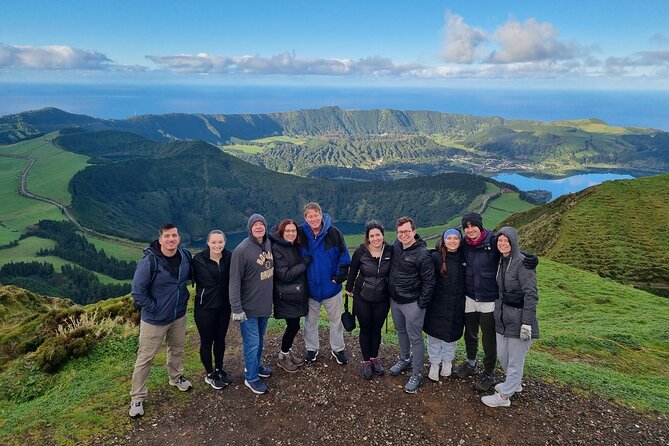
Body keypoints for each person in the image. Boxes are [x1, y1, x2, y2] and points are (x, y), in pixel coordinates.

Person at [453, 212, 537, 392]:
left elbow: (508, 250)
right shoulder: (464, 244)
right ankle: (471, 363)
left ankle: (489, 372)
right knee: (470, 333)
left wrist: (529, 258)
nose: (469, 230)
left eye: (472, 226)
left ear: (480, 225)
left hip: (490, 299)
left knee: (489, 337)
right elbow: (446, 246)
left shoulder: (492, 241)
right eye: (466, 227)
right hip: (469, 296)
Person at [129, 223, 193, 418]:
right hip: (154, 321)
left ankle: (176, 377)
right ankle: (137, 397)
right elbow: (137, 291)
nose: (171, 239)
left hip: (178, 316)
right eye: (167, 236)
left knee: (177, 349)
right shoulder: (149, 262)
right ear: (160, 239)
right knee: (145, 358)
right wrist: (153, 309)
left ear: (179, 238)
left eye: (174, 235)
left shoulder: (185, 257)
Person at [481, 226, 539, 407]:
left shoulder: (522, 263)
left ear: (513, 243)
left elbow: (531, 294)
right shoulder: (500, 260)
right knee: (503, 356)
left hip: (519, 320)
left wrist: (527, 323)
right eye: (500, 241)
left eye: (507, 241)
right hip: (502, 319)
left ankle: (504, 397)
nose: (503, 244)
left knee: (514, 361)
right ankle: (514, 384)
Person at [298, 202, 351, 365]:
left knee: (336, 321)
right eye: (310, 216)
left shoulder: (334, 233)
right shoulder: (300, 233)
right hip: (311, 289)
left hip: (331, 288)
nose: (313, 219)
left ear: (321, 215)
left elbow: (344, 257)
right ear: (305, 218)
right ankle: (311, 349)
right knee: (310, 322)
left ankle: (338, 349)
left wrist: (338, 278)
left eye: (316, 215)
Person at [388, 216, 436, 394]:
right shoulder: (397, 245)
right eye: (400, 232)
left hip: (412, 303)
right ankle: (404, 359)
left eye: (407, 231)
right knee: (401, 331)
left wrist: (420, 305)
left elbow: (429, 282)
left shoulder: (423, 254)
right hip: (395, 300)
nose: (403, 235)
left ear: (414, 231)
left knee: (415, 337)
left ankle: (417, 374)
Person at [229, 214, 274, 394]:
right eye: (254, 225)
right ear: (249, 228)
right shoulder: (241, 251)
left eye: (261, 224)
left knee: (259, 340)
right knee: (252, 343)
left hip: (264, 305)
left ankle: (256, 366)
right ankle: (251, 377)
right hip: (248, 309)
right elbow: (234, 282)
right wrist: (236, 309)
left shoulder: (268, 243)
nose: (258, 227)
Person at [345, 220, 392, 380]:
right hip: (362, 297)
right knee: (365, 329)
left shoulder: (390, 251)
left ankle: (374, 358)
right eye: (372, 235)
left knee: (376, 329)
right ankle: (366, 361)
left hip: (382, 298)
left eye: (378, 234)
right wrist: (349, 288)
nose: (375, 238)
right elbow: (353, 271)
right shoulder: (361, 252)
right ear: (368, 237)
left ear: (383, 235)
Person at [423, 228, 466, 382]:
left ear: (460, 241)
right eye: (449, 238)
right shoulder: (434, 257)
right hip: (436, 303)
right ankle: (435, 363)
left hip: (456, 303)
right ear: (444, 240)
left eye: (456, 238)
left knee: (451, 336)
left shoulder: (464, 258)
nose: (452, 241)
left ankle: (447, 361)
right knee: (433, 336)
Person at [192, 229, 233, 390]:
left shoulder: (230, 257)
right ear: (208, 242)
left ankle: (219, 369)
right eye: (214, 242)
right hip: (205, 308)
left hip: (224, 306)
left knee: (221, 339)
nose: (217, 245)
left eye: (220, 242)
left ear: (225, 242)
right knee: (207, 341)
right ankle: (209, 374)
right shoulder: (198, 260)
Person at [270, 219, 311, 373]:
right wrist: (304, 264)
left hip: (294, 293)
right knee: (293, 326)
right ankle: (283, 356)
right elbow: (285, 275)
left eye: (294, 231)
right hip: (286, 295)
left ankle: (286, 352)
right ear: (281, 232)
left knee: (294, 325)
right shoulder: (277, 248)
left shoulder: (292, 245)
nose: (291, 233)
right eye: (287, 231)